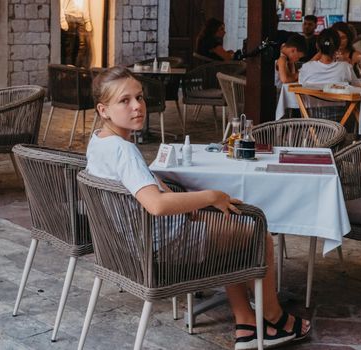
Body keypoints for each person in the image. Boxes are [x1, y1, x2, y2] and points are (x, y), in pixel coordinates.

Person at [86, 66, 311, 350]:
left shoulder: (99, 142)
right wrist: (210, 196)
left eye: (139, 97)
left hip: (129, 245)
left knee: (231, 232)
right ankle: (274, 318)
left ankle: (246, 323)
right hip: (161, 246)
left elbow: (138, 181)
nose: (137, 107)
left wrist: (166, 187)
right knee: (256, 233)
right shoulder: (124, 150)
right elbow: (155, 205)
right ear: (103, 110)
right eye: (125, 101)